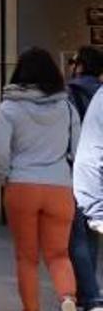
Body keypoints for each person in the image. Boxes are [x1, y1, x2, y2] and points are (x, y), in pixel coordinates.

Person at [0, 47, 81, 311]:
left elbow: (0, 150)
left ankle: (32, 308)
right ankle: (67, 297)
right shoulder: (67, 108)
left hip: (22, 184)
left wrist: (4, 176)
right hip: (60, 186)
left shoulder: (8, 108)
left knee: (26, 257)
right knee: (59, 254)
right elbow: (78, 149)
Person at [66, 47, 103, 310]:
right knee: (90, 235)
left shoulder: (70, 92)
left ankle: (89, 294)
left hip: (79, 168)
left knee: (79, 237)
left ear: (79, 66)